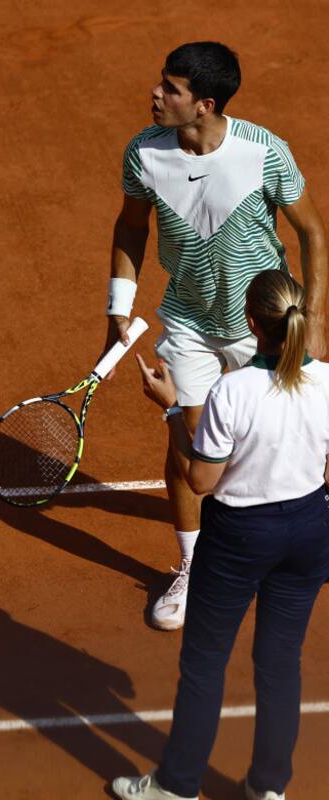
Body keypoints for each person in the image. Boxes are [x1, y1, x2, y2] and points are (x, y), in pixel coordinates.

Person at [104, 41, 326, 630]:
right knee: (190, 447)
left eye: (170, 89)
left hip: (264, 322)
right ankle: (193, 565)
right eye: (161, 83)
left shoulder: (264, 152)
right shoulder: (143, 154)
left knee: (293, 438)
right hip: (189, 319)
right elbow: (131, 226)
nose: (155, 94)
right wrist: (117, 308)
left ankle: (290, 539)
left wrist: (318, 316)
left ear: (204, 104)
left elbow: (313, 234)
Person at [112, 270, 329, 800]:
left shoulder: (232, 391)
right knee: (280, 662)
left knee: (205, 662)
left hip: (239, 539)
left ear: (252, 323)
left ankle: (178, 785)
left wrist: (169, 409)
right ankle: (269, 788)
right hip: (308, 532)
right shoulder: (327, 381)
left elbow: (201, 479)